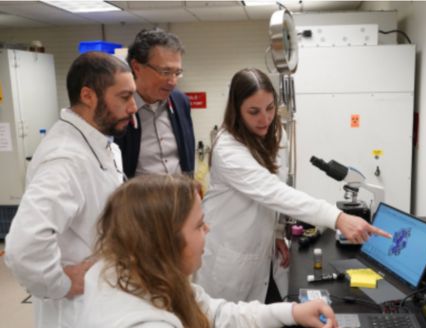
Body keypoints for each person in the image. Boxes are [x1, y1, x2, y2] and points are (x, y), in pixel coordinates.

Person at [195, 68, 391, 303]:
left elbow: (279, 184)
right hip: (229, 254)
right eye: (254, 112)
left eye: (270, 108)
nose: (265, 119)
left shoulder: (275, 134)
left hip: (262, 252)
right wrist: (338, 218)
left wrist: (276, 232)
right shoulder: (227, 149)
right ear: (237, 111)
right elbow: (275, 192)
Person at [77, 174, 338, 328]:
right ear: (166, 240)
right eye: (200, 224)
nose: (208, 229)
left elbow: (217, 313)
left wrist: (290, 312)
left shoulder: (127, 270)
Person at [4, 52, 137, 327]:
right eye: (124, 97)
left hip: (105, 294)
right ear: (88, 96)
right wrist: (61, 283)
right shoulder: (66, 158)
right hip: (77, 310)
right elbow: (23, 247)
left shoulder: (102, 141)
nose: (133, 107)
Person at [115, 27, 195, 178]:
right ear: (137, 67)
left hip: (180, 197)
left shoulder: (180, 102)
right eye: (165, 72)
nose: (172, 81)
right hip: (137, 199)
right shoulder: (117, 109)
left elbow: (187, 158)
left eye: (177, 73)